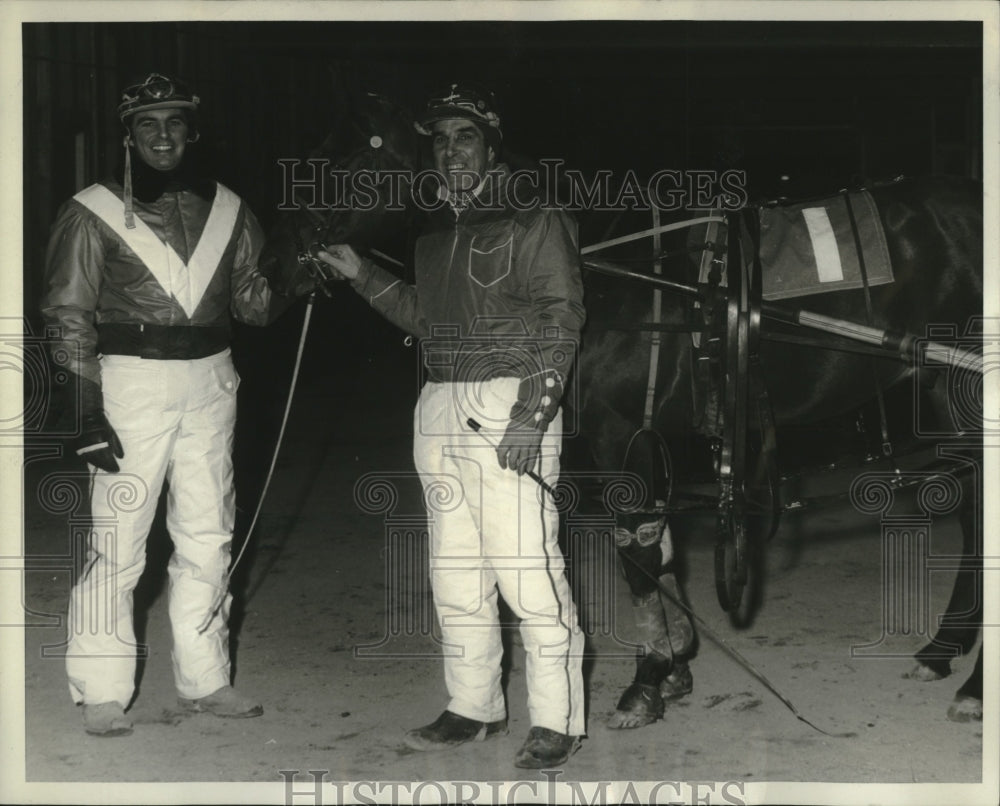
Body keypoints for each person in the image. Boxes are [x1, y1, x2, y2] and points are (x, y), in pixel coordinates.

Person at [316, 84, 587, 768]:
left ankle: (557, 719)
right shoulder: (435, 228)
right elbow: (422, 315)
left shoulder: (534, 214)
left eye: (464, 135)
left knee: (529, 572)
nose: (449, 148)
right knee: (455, 573)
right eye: (439, 138)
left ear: (492, 145)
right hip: (438, 404)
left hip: (507, 405)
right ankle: (474, 706)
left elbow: (561, 318)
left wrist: (534, 413)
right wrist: (359, 275)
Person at [40, 73, 317, 737]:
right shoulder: (90, 211)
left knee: (209, 532)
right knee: (120, 539)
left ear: (193, 132)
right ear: (128, 136)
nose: (163, 137)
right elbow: (67, 313)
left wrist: (298, 274)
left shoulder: (230, 209)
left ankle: (205, 678)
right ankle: (102, 689)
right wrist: (83, 411)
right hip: (131, 381)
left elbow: (251, 306)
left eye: (174, 124)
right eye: (147, 125)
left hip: (212, 380)